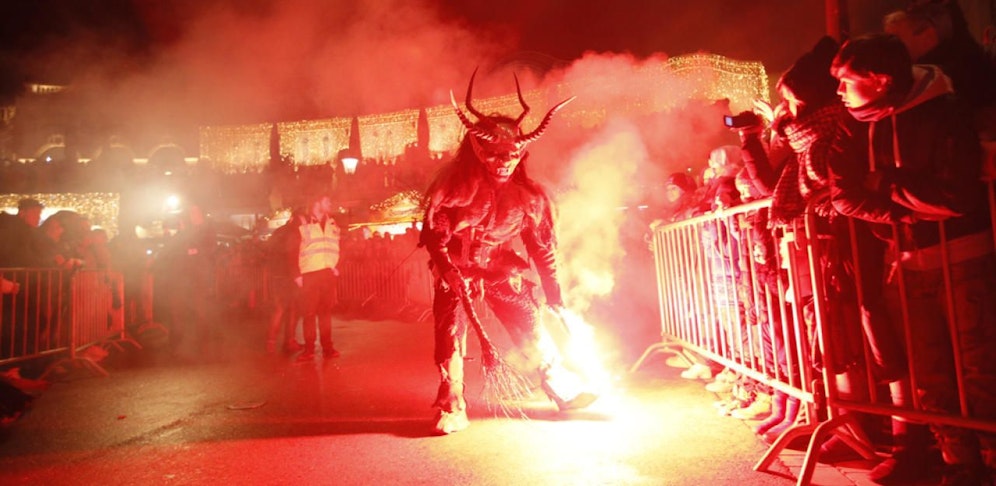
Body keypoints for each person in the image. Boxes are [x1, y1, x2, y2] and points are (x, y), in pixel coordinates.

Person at [829, 33, 996, 485]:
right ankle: (958, 465)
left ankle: (992, 461)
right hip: (903, 262)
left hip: (962, 256)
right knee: (929, 374)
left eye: (847, 80)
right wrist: (905, 212)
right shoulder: (852, 124)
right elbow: (843, 194)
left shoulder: (944, 111)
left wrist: (883, 182)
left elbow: (956, 196)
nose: (839, 91)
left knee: (980, 367)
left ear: (881, 80)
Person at [419, 73, 597, 435]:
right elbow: (435, 237)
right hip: (457, 271)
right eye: (495, 154)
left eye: (512, 154)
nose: (504, 161)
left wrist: (555, 296)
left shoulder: (528, 198)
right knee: (450, 330)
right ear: (477, 150)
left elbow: (542, 250)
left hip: (500, 269)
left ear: (521, 153)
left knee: (528, 321)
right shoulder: (453, 189)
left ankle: (558, 384)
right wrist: (448, 270)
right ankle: (452, 400)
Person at [290, 194, 341, 362]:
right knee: (309, 313)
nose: (330, 203)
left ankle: (328, 348)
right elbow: (291, 250)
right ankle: (309, 349)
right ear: (316, 203)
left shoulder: (332, 223)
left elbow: (338, 246)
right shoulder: (302, 222)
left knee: (325, 314)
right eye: (327, 201)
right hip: (309, 274)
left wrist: (337, 266)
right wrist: (296, 274)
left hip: (327, 273)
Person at [265, 209, 304, 355]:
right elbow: (293, 254)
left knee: (278, 309)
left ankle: (270, 343)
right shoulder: (294, 232)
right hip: (288, 275)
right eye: (302, 220)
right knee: (292, 309)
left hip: (276, 275)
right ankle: (290, 342)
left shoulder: (278, 232)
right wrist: (297, 274)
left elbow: (269, 252)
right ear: (295, 219)